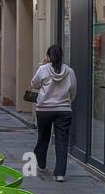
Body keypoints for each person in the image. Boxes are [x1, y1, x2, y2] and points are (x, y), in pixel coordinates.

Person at [30, 45, 77, 183]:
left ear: (48, 56)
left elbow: (34, 84)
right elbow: (73, 90)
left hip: (44, 110)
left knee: (43, 137)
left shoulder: (43, 69)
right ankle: (60, 174)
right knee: (62, 141)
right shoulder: (69, 71)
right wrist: (67, 102)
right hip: (64, 110)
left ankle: (42, 164)